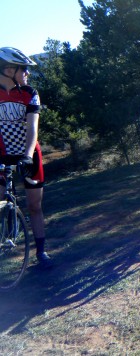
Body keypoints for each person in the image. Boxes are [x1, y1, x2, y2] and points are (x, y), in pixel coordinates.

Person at [0, 47, 52, 268]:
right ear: (9, 69)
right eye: (24, 70)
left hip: (28, 154)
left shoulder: (30, 92)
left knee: (34, 206)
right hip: (2, 154)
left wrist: (28, 155)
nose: (28, 74)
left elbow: (33, 128)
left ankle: (41, 251)